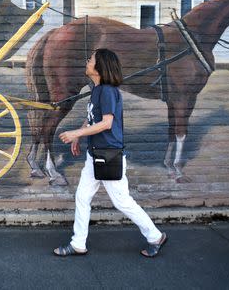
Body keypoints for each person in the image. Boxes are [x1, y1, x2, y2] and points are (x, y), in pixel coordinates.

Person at [54, 48, 167, 258]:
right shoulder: (97, 90)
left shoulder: (107, 91)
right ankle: (78, 243)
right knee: (82, 196)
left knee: (122, 201)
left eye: (91, 59)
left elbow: (106, 124)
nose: (87, 61)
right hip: (95, 154)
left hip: (108, 156)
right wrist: (79, 135)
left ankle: (155, 236)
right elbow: (92, 117)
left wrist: (75, 133)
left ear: (99, 67)